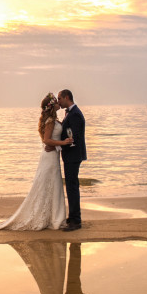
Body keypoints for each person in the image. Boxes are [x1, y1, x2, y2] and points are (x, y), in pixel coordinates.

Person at [0, 92, 73, 231]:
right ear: (51, 106)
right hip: (49, 157)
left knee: (53, 185)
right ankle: (52, 218)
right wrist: (63, 142)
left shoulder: (52, 120)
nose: (58, 102)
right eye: (56, 101)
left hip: (52, 155)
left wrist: (58, 144)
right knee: (49, 184)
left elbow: (49, 140)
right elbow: (46, 140)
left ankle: (54, 217)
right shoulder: (49, 121)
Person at [55, 89, 86, 231]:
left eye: (60, 98)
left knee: (72, 187)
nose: (58, 101)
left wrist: (59, 142)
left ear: (67, 97)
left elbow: (74, 136)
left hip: (73, 155)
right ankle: (73, 216)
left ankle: (76, 221)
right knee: (71, 186)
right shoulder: (70, 113)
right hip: (70, 155)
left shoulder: (75, 114)